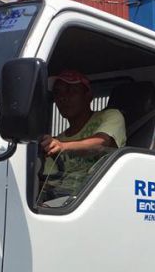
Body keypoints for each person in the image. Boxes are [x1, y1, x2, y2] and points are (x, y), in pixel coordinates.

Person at [38, 70, 126, 203]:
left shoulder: (110, 116)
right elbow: (50, 181)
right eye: (58, 93)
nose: (63, 97)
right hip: (62, 201)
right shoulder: (57, 141)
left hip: (95, 198)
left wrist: (63, 147)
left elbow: (102, 144)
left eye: (71, 91)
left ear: (88, 95)